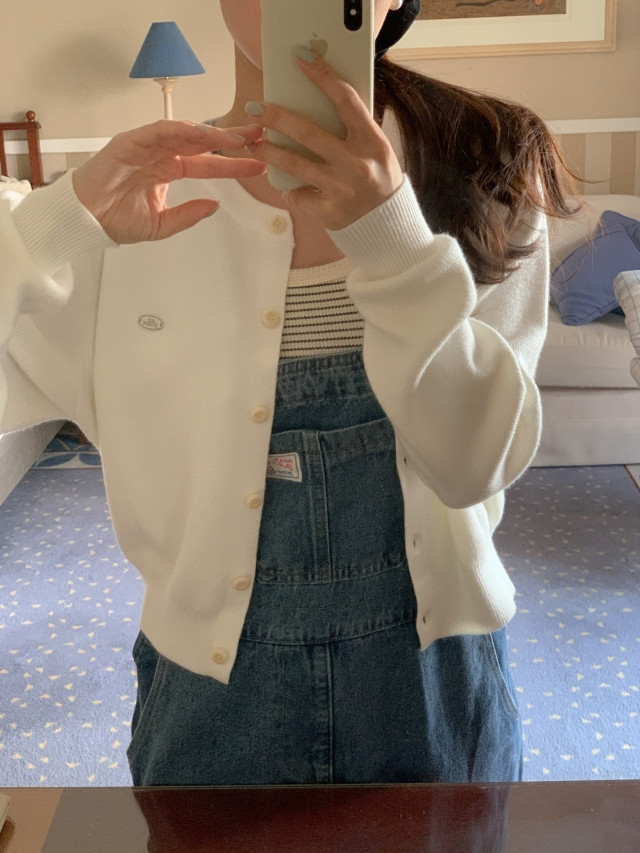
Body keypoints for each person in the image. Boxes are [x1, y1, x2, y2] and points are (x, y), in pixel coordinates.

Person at [0, 0, 577, 786]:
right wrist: (47, 230)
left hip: (436, 698)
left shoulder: (489, 162)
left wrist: (394, 244)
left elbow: (474, 466)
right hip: (207, 712)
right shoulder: (127, 206)